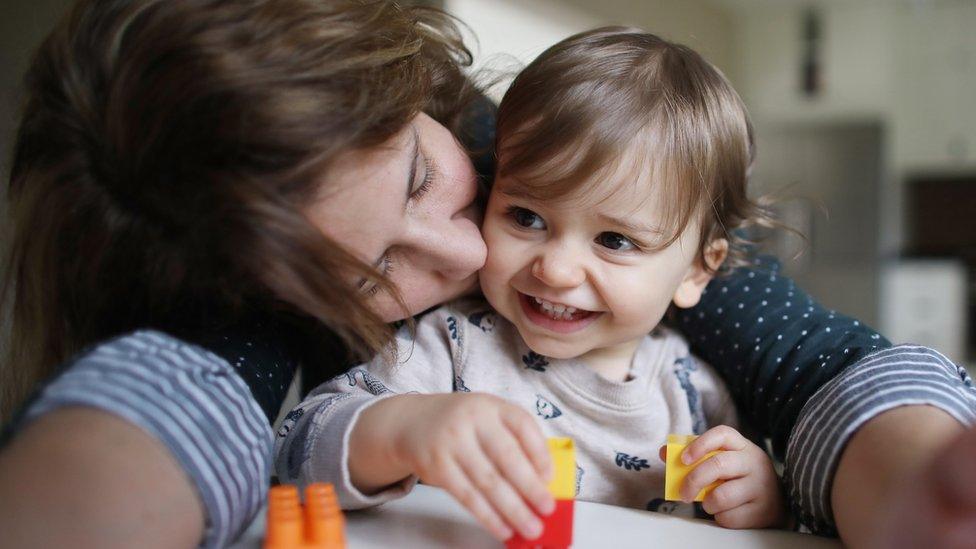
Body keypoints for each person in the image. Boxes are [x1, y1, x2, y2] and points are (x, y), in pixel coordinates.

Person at [0, 1, 972, 548]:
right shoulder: (441, 350)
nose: (480, 260)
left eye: (429, 177)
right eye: (373, 270)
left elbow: (802, 364)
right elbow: (242, 409)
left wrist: (781, 490)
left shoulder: (672, 350)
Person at [274, 27, 787, 542]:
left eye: (614, 239)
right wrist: (406, 429)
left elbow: (740, 522)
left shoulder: (694, 391)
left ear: (698, 271)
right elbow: (297, 449)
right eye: (526, 216)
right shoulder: (450, 348)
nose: (555, 271)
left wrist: (760, 497)